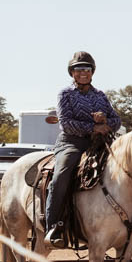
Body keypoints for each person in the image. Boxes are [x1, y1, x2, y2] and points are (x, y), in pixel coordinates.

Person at [45, 52, 122, 247]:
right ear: (72, 73)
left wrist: (105, 121)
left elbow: (116, 120)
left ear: (92, 72)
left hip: (98, 143)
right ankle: (52, 226)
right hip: (72, 142)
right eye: (78, 69)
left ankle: (124, 226)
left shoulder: (100, 95)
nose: (83, 73)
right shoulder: (65, 94)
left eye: (86, 69)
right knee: (61, 174)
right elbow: (66, 123)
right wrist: (93, 126)